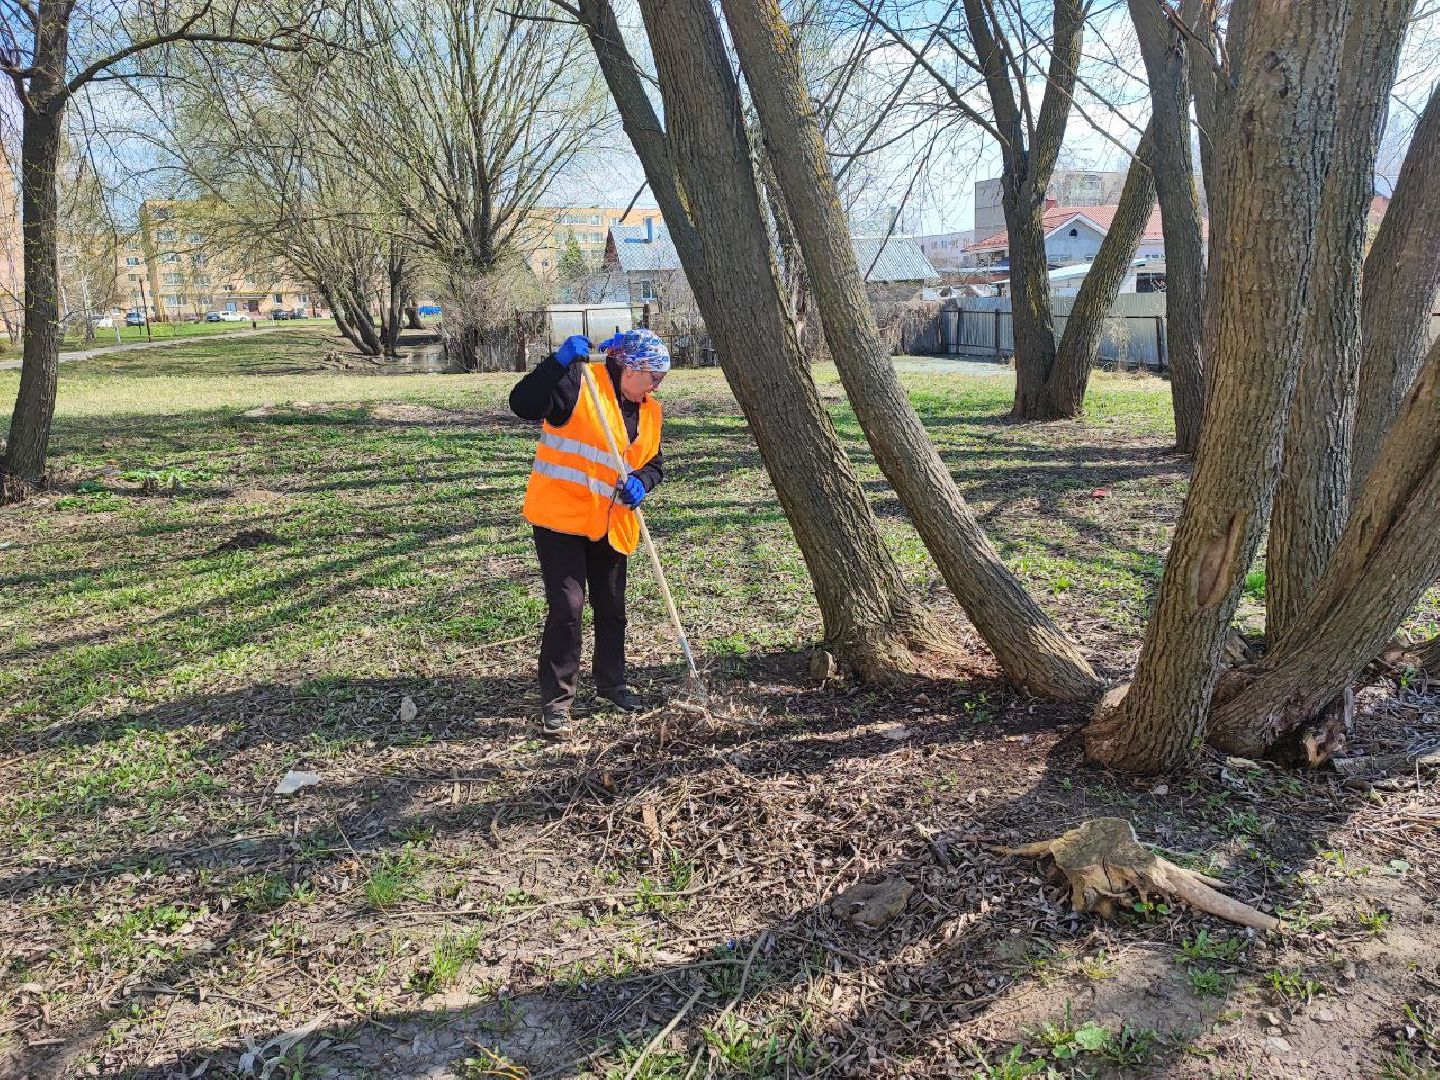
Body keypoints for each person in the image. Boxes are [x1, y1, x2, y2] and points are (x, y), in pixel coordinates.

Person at [509, 328, 670, 736]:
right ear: (627, 367)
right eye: (652, 374)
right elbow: (522, 403)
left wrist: (642, 483)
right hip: (561, 518)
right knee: (568, 607)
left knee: (612, 607)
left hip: (611, 522)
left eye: (661, 378)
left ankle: (612, 684)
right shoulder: (579, 383)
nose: (656, 384)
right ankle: (558, 701)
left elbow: (653, 464)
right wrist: (556, 362)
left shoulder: (650, 411)